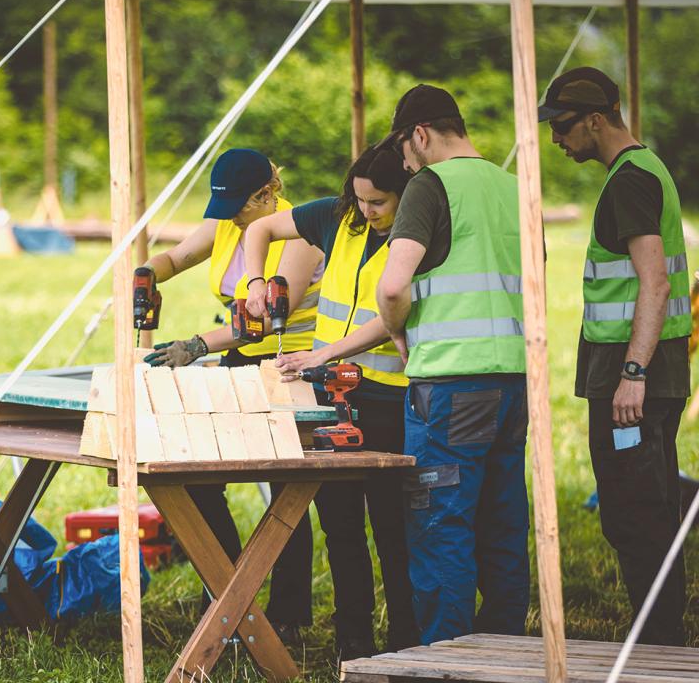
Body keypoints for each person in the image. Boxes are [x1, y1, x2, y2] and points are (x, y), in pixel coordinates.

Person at [243, 146, 420, 659]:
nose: (366, 211)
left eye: (378, 202)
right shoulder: (337, 218)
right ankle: (354, 644)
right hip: (329, 395)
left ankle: (405, 643)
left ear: (406, 194)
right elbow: (260, 230)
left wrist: (321, 353)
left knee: (391, 528)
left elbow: (395, 313)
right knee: (340, 525)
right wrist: (256, 282)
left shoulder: (419, 233)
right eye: (359, 198)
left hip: (388, 397)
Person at [140, 148, 324, 643]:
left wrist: (196, 345)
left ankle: (287, 615)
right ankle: (221, 596)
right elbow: (178, 256)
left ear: (266, 194)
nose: (227, 216)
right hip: (238, 360)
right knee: (201, 478)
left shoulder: (299, 231)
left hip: (291, 366)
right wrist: (147, 274)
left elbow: (259, 322)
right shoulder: (227, 221)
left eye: (237, 206)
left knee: (282, 492)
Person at [375, 84, 530, 645]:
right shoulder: (515, 186)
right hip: (514, 379)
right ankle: (507, 649)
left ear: (420, 134)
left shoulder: (430, 185)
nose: (406, 163)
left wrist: (398, 332)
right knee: (504, 520)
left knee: (442, 523)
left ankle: (448, 656)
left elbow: (394, 285)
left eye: (405, 150)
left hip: (448, 385)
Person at [540, 67, 689, 645]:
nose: (556, 138)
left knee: (636, 512)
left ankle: (656, 644)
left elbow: (654, 284)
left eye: (563, 126)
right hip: (648, 370)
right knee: (646, 503)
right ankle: (657, 632)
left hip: (633, 378)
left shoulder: (629, 180)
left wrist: (633, 374)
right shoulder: (643, 170)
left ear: (596, 120)